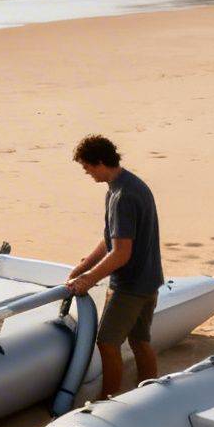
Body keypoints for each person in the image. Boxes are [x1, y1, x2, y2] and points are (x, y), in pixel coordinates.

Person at [64, 135, 163, 402]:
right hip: (149, 279)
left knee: (107, 343)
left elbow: (121, 253)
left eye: (87, 167)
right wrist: (83, 267)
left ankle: (109, 400)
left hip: (130, 285)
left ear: (99, 162)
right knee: (140, 340)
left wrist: (88, 279)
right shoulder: (125, 185)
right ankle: (151, 393)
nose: (86, 173)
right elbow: (111, 237)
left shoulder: (122, 196)